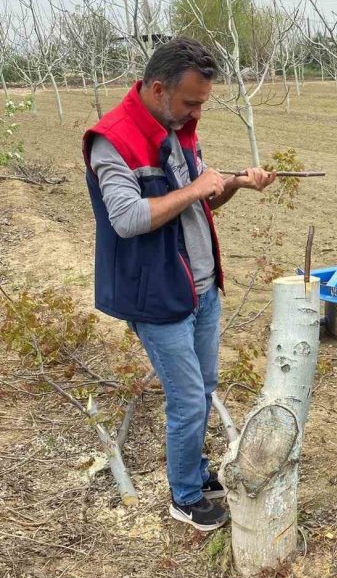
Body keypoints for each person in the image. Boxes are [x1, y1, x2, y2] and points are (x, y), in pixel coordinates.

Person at [83, 38, 275, 532]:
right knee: (187, 400)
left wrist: (232, 185)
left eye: (202, 103)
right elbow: (127, 218)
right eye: (190, 101)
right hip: (157, 295)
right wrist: (194, 187)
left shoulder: (180, 129)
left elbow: (200, 203)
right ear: (157, 88)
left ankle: (193, 470)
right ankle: (184, 496)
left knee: (203, 389)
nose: (196, 112)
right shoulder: (112, 140)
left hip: (200, 288)